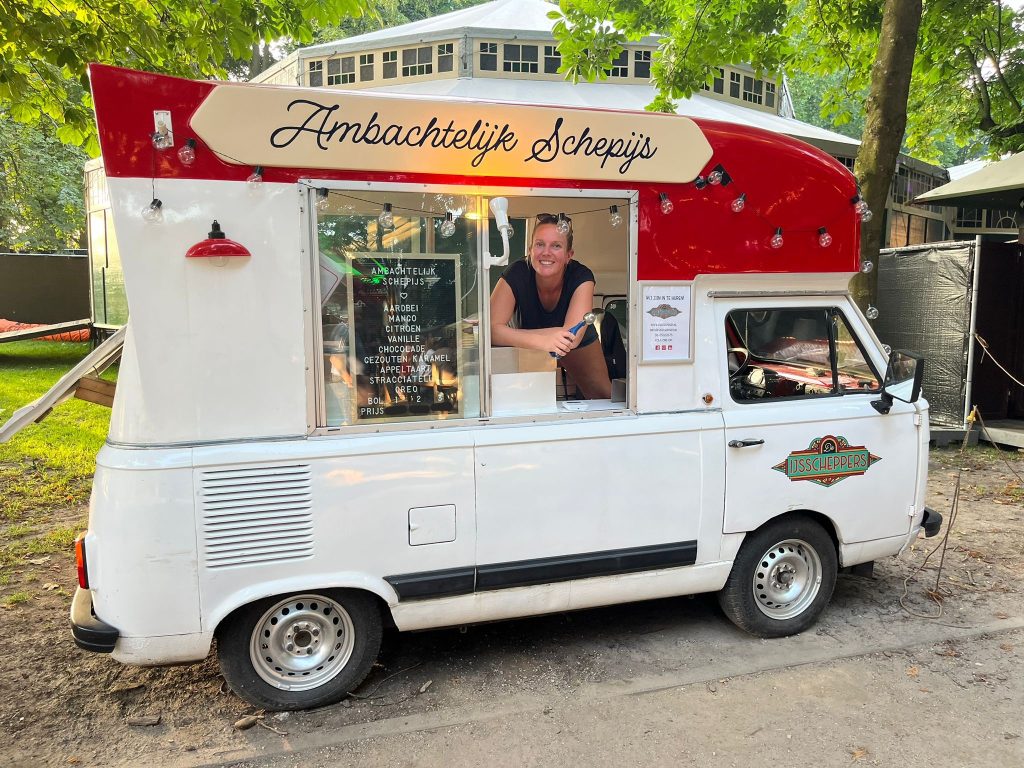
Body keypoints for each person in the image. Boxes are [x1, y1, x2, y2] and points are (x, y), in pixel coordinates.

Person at [490, 213, 612, 400]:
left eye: (556, 246)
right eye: (540, 244)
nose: (546, 252)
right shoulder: (516, 272)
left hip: (577, 343)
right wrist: (542, 341)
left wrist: (548, 338)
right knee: (529, 402)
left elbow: (571, 337)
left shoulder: (581, 276)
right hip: (526, 344)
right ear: (530, 250)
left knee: (602, 395)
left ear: (569, 255)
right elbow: (491, 330)